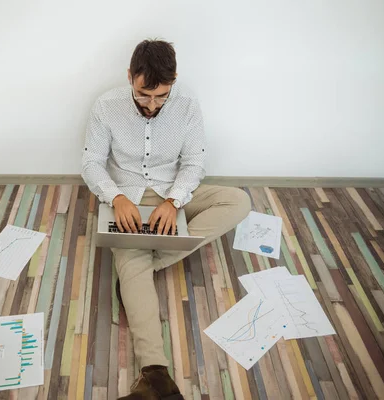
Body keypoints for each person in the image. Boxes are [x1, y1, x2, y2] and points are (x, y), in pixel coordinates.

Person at [82, 39, 251, 400]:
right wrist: (117, 198)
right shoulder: (105, 107)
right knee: (130, 255)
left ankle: (143, 264)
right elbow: (91, 163)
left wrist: (174, 201)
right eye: (144, 95)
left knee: (238, 201)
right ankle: (156, 374)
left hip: (171, 195)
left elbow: (193, 164)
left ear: (173, 82)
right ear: (130, 77)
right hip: (125, 198)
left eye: (161, 96)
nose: (153, 105)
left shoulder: (187, 105)